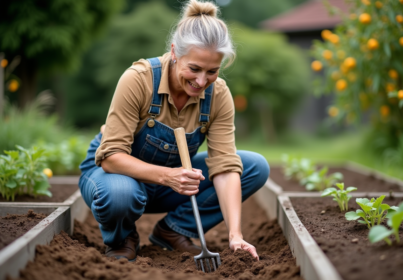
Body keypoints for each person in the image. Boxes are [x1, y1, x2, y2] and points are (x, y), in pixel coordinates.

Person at [78, 0, 270, 262]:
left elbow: (224, 166)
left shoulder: (218, 95)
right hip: (113, 176)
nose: (202, 81)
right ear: (174, 52)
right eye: (194, 69)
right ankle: (122, 238)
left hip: (169, 183)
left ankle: (174, 231)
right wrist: (168, 176)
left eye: (212, 71)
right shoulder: (138, 79)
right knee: (122, 194)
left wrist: (235, 234)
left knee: (254, 166)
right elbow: (111, 156)